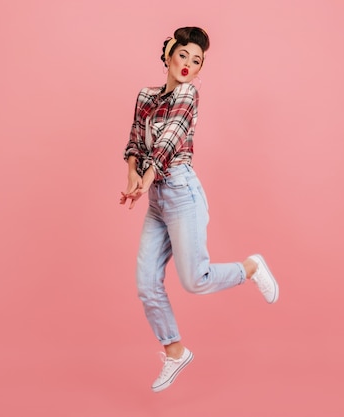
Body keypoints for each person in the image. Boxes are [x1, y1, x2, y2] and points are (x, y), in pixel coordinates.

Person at [120, 26, 279, 393]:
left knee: (194, 281)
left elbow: (169, 139)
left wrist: (144, 181)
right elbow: (134, 139)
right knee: (146, 284)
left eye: (197, 60)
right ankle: (175, 350)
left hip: (180, 191)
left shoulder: (189, 94)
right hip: (157, 197)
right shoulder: (146, 95)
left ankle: (250, 267)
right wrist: (133, 177)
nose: (189, 65)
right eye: (184, 55)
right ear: (169, 54)